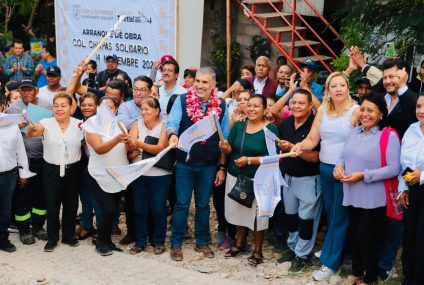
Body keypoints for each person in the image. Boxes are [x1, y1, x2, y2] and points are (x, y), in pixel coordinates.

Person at [291, 72, 360, 280]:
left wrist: (345, 166)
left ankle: (331, 263)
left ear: (348, 88)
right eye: (334, 86)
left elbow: (358, 143)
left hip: (343, 171)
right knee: (331, 215)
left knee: (340, 218)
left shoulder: (355, 111)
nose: (338, 89)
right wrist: (299, 146)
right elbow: (312, 139)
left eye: (342, 85)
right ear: (327, 90)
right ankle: (331, 248)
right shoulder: (323, 109)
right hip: (324, 168)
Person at [335, 93, 401, 285]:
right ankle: (356, 272)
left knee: (367, 237)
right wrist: (339, 168)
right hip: (351, 194)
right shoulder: (354, 132)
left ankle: (370, 277)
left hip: (375, 198)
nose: (365, 114)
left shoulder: (388, 135)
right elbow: (343, 156)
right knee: (355, 235)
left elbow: (394, 168)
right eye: (362, 109)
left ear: (381, 113)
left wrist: (364, 175)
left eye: (370, 110)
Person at [167, 67, 229, 261]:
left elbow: (224, 136)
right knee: (182, 204)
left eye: (205, 82)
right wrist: (172, 136)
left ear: (213, 85)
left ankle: (202, 241)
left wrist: (222, 166)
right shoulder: (182, 100)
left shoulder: (222, 105)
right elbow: (172, 123)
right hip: (185, 163)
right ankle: (176, 243)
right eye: (198, 81)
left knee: (203, 205)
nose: (200, 85)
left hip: (209, 164)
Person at [220, 94, 279, 266]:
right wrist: (225, 147)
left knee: (257, 216)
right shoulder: (239, 126)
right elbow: (231, 147)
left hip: (260, 178)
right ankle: (239, 243)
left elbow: (273, 157)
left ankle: (258, 251)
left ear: (264, 110)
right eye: (249, 105)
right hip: (236, 175)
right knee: (240, 209)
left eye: (256, 106)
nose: (251, 109)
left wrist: (250, 160)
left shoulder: (271, 130)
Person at [26, 92, 84, 252]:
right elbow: (33, 132)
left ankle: (68, 236)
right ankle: (52, 238)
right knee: (52, 205)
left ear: (71, 108)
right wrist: (31, 129)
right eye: (56, 105)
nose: (59, 109)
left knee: (71, 205)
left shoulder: (79, 124)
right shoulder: (46, 122)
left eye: (63, 105)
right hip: (51, 170)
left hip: (73, 170)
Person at [376, 60, 418, 280]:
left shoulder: (412, 100)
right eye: (385, 77)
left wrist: (408, 181)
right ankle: (377, 260)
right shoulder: (382, 97)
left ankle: (387, 264)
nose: (388, 81)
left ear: (404, 74)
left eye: (392, 76)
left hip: (405, 172)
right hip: (380, 169)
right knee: (380, 216)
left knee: (397, 219)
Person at [275, 89, 322, 272]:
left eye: (301, 103)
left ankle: (302, 255)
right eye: (294, 102)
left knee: (306, 220)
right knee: (291, 217)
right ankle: (293, 248)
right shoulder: (287, 123)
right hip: (288, 178)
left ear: (310, 106)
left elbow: (317, 157)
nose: (296, 106)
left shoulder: (315, 125)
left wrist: (297, 149)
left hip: (309, 179)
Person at [7, 78, 51, 245]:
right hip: (22, 160)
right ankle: (24, 230)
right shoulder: (13, 108)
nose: (26, 93)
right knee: (22, 196)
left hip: (44, 158)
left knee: (42, 195)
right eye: (23, 90)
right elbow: (6, 132)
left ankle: (39, 227)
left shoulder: (47, 105)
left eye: (29, 90)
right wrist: (15, 127)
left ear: (36, 91)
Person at [85, 96, 129, 256]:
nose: (107, 110)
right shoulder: (91, 125)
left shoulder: (120, 124)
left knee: (114, 210)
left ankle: (107, 241)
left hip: (118, 175)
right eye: (103, 107)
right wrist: (117, 139)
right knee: (108, 209)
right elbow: (99, 148)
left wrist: (132, 149)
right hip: (99, 174)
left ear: (116, 110)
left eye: (110, 107)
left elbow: (126, 149)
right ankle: (101, 242)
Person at [128, 97, 171, 255]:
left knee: (158, 208)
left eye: (147, 109)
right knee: (139, 208)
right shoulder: (137, 124)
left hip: (160, 174)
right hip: (139, 172)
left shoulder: (164, 126)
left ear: (157, 111)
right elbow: (130, 144)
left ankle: (158, 241)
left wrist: (139, 144)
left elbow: (160, 148)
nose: (144, 112)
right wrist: (135, 146)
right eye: (142, 109)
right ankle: (140, 242)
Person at [398, 93, 424, 285]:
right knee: (409, 233)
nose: (421, 111)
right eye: (418, 106)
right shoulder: (412, 129)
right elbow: (404, 164)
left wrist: (421, 176)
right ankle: (409, 275)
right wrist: (403, 188)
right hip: (412, 189)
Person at [0, 112, 34, 252]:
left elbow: (20, 150)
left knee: (5, 210)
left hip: (8, 175)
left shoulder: (11, 123)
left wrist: (24, 173)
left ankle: (2, 238)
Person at [75, 93, 102, 241]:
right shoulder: (78, 123)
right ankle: (87, 225)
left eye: (90, 105)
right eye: (84, 105)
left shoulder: (101, 123)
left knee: (97, 198)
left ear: (97, 107)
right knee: (85, 197)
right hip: (83, 165)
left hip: (99, 165)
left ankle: (101, 228)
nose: (86, 108)